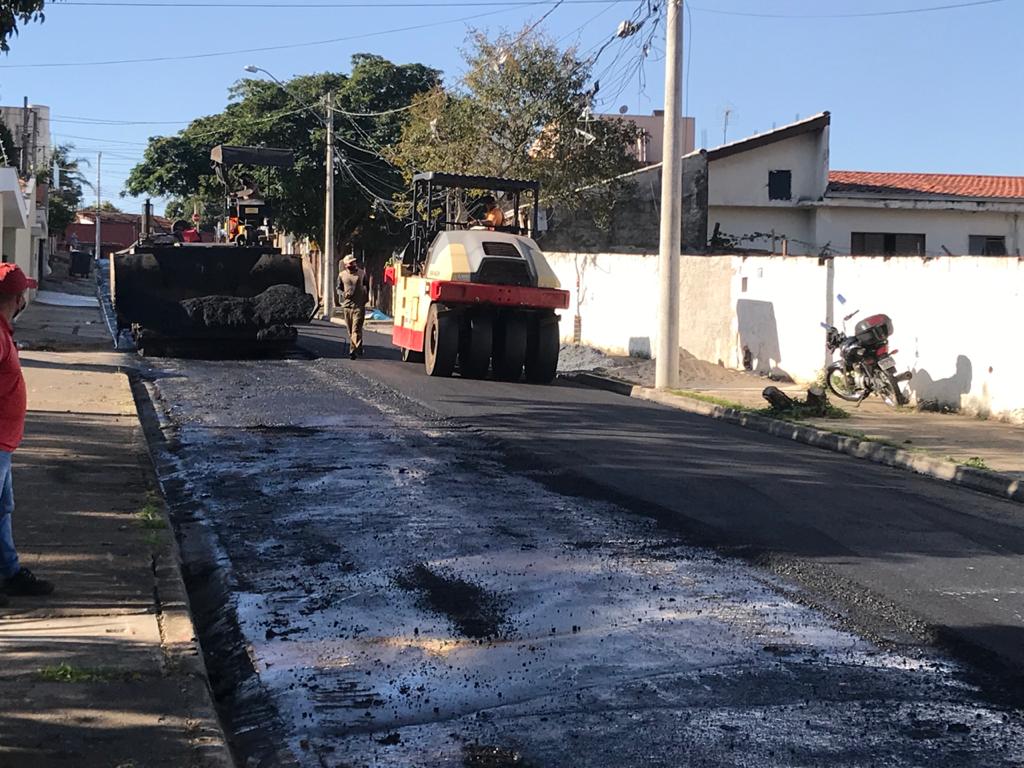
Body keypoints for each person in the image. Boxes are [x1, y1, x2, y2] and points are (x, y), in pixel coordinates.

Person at [0, 263, 55, 601]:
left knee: (3, 510)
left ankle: (11, 572)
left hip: (4, 443)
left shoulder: (4, 332)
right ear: (17, 299)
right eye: (23, 295)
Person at [337, 254, 369, 360]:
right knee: (350, 331)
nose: (353, 264)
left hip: (358, 306)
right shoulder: (342, 275)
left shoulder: (362, 274)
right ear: (346, 265)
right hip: (347, 307)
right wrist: (343, 294)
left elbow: (366, 287)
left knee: (356, 329)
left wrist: (365, 299)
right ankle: (358, 348)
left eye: (354, 262)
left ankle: (352, 350)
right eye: (351, 263)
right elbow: (338, 288)